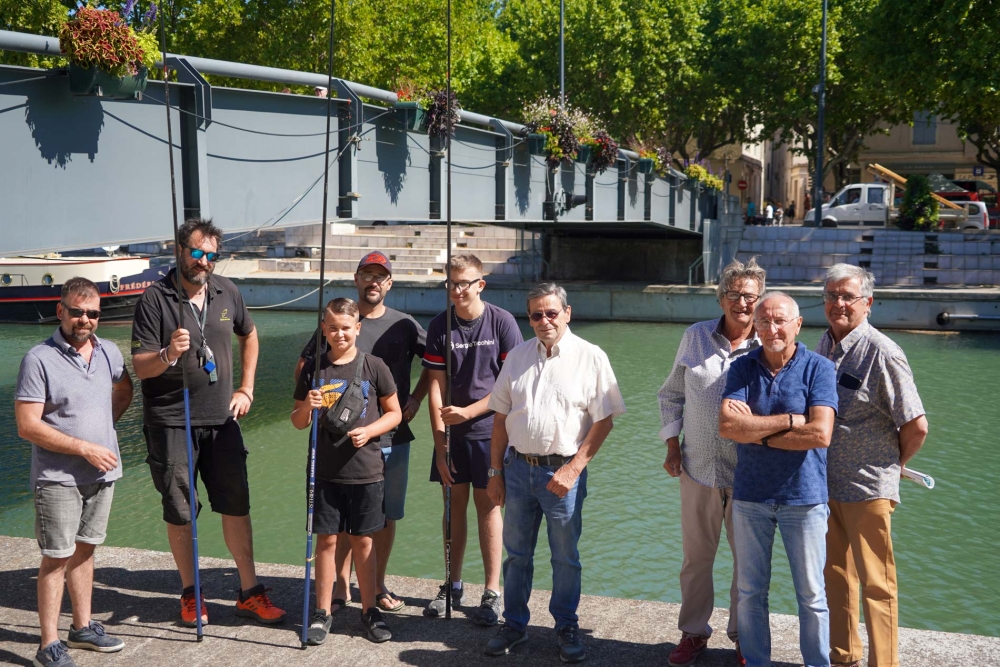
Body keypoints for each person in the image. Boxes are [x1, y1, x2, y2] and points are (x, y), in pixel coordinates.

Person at [131, 218, 285, 627]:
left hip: (222, 418)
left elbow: (249, 334)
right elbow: (140, 367)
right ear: (180, 250)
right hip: (171, 420)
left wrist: (247, 389)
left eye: (212, 255)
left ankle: (249, 593)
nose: (204, 262)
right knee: (181, 509)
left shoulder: (226, 291)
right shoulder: (154, 299)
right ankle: (189, 592)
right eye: (198, 253)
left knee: (236, 504)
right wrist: (167, 353)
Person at [484, 283, 625, 663]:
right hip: (517, 469)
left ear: (567, 312)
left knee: (565, 557)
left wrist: (574, 468)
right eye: (535, 314)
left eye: (551, 312)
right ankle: (514, 625)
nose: (543, 320)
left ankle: (565, 626)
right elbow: (500, 420)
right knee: (517, 556)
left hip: (562, 474)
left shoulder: (591, 357)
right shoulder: (516, 356)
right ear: (527, 317)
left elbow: (604, 421)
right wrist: (494, 471)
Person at [295, 250, 429, 614]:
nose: (373, 282)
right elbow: (306, 367)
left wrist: (415, 399)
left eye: (380, 276)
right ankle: (341, 587)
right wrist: (312, 401)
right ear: (356, 279)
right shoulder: (338, 320)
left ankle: (378, 583)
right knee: (337, 520)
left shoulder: (404, 324)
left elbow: (437, 361)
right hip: (339, 442)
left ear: (389, 283)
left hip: (391, 438)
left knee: (384, 516)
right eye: (367, 275)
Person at [15, 277, 134, 667]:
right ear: (61, 311)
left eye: (93, 313)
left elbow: (123, 389)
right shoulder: (39, 358)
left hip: (102, 475)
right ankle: (49, 643)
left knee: (86, 551)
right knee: (56, 557)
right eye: (78, 312)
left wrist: (106, 429)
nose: (85, 320)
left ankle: (82, 628)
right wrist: (84, 445)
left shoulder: (109, 352)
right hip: (57, 478)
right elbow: (27, 425)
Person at [816, 264, 929, 667]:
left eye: (847, 296)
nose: (838, 304)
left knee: (877, 586)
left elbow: (916, 426)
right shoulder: (824, 344)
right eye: (831, 295)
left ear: (868, 303)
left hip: (868, 490)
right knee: (836, 580)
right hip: (826, 487)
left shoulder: (882, 352)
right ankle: (844, 658)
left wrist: (893, 464)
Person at [719, 292, 838, 667]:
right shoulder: (741, 367)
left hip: (804, 498)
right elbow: (727, 426)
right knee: (751, 592)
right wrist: (789, 421)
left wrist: (753, 429)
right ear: (755, 325)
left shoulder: (818, 368)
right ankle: (757, 662)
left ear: (797, 324)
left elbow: (820, 433)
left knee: (812, 595)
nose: (773, 328)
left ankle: (817, 663)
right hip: (750, 496)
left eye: (780, 321)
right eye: (765, 321)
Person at [657, 257, 767, 667]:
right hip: (698, 469)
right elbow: (670, 394)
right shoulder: (696, 337)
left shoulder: (771, 342)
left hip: (751, 477)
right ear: (721, 297)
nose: (742, 303)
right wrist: (671, 445)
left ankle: (743, 638)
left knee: (749, 566)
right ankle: (693, 633)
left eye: (750, 296)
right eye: (735, 294)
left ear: (760, 301)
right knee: (696, 560)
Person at [292, 297, 403, 644]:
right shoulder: (313, 370)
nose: (340, 334)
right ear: (323, 330)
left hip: (367, 470)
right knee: (326, 541)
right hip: (323, 472)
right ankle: (322, 612)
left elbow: (395, 413)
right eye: (333, 328)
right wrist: (307, 408)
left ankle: (370, 610)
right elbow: (297, 422)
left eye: (346, 328)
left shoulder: (375, 366)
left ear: (358, 329)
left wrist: (370, 431)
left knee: (364, 542)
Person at [423, 253, 523, 623]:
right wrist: (439, 444)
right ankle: (452, 583)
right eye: (451, 283)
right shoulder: (439, 326)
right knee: (451, 509)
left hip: (491, 433)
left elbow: (510, 383)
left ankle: (492, 592)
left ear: (480, 284)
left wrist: (470, 412)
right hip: (452, 437)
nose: (457, 290)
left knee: (490, 509)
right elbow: (436, 386)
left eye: (464, 282)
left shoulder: (503, 322)